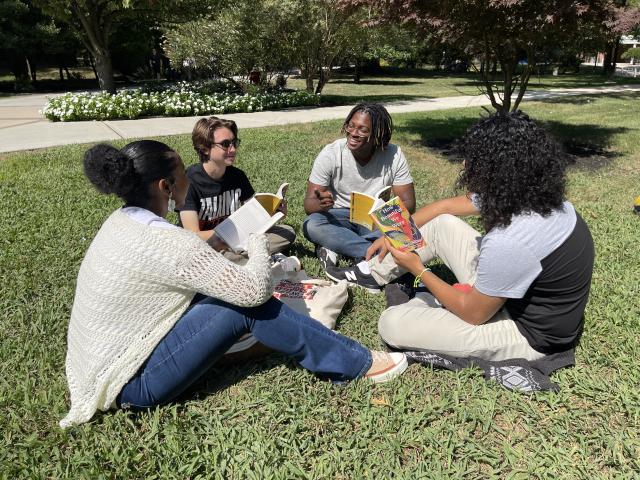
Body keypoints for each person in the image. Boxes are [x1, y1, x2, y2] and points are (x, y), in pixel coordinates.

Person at [59, 140, 407, 428]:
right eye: (182, 174)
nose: (187, 180)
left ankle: (236, 345)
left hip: (97, 364)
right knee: (250, 306)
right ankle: (358, 363)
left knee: (229, 292)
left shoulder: (120, 222)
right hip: (134, 383)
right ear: (165, 186)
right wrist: (256, 237)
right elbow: (252, 294)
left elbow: (183, 271)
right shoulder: (168, 242)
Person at [326, 112, 595, 361]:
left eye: (474, 159)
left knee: (392, 323)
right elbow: (444, 208)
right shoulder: (538, 198)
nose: (465, 164)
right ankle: (372, 274)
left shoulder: (512, 240)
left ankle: (429, 299)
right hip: (514, 295)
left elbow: (474, 313)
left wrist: (418, 270)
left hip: (527, 332)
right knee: (442, 224)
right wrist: (392, 233)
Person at [302, 103, 416, 271]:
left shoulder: (394, 155)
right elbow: (309, 205)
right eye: (351, 126)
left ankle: (339, 246)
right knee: (311, 224)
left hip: (377, 218)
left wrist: (384, 212)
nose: (353, 133)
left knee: (408, 229)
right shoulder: (331, 153)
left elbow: (409, 203)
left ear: (378, 134)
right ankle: (375, 253)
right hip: (339, 217)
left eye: (363, 130)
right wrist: (320, 204)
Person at [179, 116, 296, 264]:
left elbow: (256, 216)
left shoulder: (237, 176)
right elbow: (193, 235)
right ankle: (255, 257)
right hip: (207, 243)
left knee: (287, 232)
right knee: (201, 250)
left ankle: (242, 258)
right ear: (205, 148)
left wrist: (274, 215)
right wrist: (224, 237)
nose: (233, 149)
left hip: (238, 239)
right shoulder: (189, 181)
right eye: (225, 144)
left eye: (234, 143)